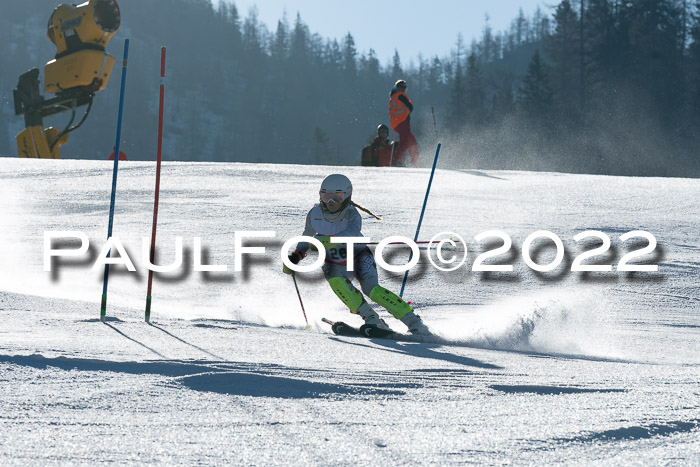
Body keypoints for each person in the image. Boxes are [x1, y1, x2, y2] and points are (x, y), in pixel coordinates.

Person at [283, 174, 430, 335]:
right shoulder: (314, 214)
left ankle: (413, 321)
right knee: (336, 282)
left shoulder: (351, 213)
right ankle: (372, 319)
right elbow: (307, 235)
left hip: (358, 255)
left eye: (337, 197)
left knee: (371, 289)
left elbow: (351, 231)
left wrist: (328, 240)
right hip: (334, 261)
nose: (331, 202)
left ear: (347, 196)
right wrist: (297, 255)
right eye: (326, 196)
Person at [388, 79, 420, 166]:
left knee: (409, 140)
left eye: (405, 87)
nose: (404, 89)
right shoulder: (399, 95)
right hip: (401, 121)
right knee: (406, 140)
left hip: (398, 122)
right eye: (402, 87)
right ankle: (399, 160)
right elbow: (410, 106)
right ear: (397, 87)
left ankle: (412, 160)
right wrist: (408, 110)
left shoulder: (394, 96)